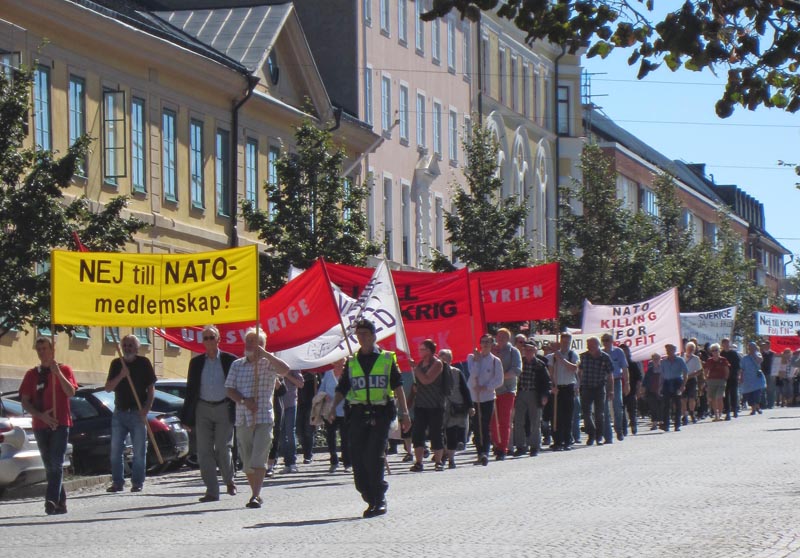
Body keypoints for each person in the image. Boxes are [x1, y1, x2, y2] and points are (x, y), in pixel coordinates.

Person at [329, 319, 411, 518]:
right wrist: (332, 408)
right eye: (359, 334)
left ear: (374, 336)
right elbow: (342, 388)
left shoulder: (386, 359)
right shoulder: (352, 361)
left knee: (374, 456)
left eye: (366, 334)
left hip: (381, 413)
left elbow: (398, 385)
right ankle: (367, 494)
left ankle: (379, 498)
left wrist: (405, 413)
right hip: (356, 414)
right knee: (357, 457)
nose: (362, 338)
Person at [225, 328, 290, 509]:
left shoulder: (269, 364)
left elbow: (285, 370)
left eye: (256, 342)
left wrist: (267, 355)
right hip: (243, 418)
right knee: (247, 463)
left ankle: (255, 495)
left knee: (258, 458)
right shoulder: (237, 365)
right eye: (249, 342)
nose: (252, 346)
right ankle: (256, 492)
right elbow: (229, 389)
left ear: (263, 345)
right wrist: (245, 401)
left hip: (263, 418)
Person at [18, 337, 78, 515]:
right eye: (39, 349)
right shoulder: (32, 374)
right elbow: (25, 402)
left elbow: (71, 392)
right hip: (40, 424)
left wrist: (58, 373)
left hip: (60, 423)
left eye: (45, 348)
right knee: (49, 465)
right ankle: (61, 503)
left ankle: (50, 499)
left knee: (56, 464)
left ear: (52, 350)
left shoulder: (64, 369)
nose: (42, 352)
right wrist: (41, 416)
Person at [180, 326, 238, 502]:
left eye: (212, 337)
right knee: (204, 451)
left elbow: (237, 386)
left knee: (222, 447)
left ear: (218, 339)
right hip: (202, 408)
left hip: (224, 407)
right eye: (205, 338)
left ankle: (229, 480)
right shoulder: (196, 363)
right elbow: (190, 391)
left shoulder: (230, 361)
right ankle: (212, 490)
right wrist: (186, 418)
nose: (209, 341)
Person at [104, 334, 156, 493]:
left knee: (139, 451)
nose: (127, 348)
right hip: (119, 413)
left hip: (137, 413)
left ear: (137, 348)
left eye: (130, 345)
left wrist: (147, 408)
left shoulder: (144, 363)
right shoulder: (116, 363)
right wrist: (121, 375)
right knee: (115, 451)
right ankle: (118, 482)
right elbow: (108, 388)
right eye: (125, 345)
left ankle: (137, 482)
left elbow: (151, 389)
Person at [409, 339, 446, 472]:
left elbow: (426, 380)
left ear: (429, 350)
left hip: (435, 404)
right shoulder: (420, 364)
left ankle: (438, 461)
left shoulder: (437, 363)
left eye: (422, 349)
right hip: (421, 404)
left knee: (436, 433)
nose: (419, 351)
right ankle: (419, 462)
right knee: (418, 433)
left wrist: (415, 369)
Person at [466, 333, 504, 465]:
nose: (485, 344)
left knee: (485, 425)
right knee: (476, 425)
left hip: (487, 397)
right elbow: (473, 374)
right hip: (474, 397)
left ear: (492, 344)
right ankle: (479, 452)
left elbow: (499, 380)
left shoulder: (495, 361)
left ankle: (485, 452)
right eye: (483, 342)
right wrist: (476, 361)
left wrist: (486, 387)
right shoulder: (472, 357)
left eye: (488, 342)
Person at [513, 339, 551, 456]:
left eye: (530, 349)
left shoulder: (540, 364)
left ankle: (535, 446)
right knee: (519, 421)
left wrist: (545, 395)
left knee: (535, 421)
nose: (528, 351)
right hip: (520, 394)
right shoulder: (520, 362)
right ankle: (521, 446)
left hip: (535, 394)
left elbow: (546, 382)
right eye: (526, 349)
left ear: (535, 350)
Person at [490, 328, 522, 460]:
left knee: (504, 421)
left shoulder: (513, 351)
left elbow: (517, 370)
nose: (500, 338)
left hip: (507, 390)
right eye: (499, 336)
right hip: (492, 391)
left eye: (504, 336)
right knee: (492, 421)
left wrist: (500, 377)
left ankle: (503, 448)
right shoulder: (492, 351)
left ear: (508, 338)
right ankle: (496, 444)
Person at [547, 333, 580, 451]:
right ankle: (557, 441)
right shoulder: (552, 356)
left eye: (568, 342)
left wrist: (561, 358)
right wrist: (552, 386)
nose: (565, 344)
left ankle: (567, 440)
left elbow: (574, 368)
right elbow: (550, 373)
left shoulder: (572, 354)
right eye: (564, 341)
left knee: (568, 415)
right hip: (557, 388)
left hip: (568, 387)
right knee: (556, 415)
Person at [579, 336, 614, 447]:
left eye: (591, 345)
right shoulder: (583, 356)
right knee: (586, 413)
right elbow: (579, 371)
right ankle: (591, 434)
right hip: (586, 387)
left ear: (597, 345)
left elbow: (610, 375)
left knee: (600, 414)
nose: (589, 347)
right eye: (588, 345)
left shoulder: (605, 357)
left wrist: (611, 390)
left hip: (599, 387)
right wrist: (579, 384)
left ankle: (599, 436)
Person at [441, 349, 472, 468]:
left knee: (451, 433)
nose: (443, 361)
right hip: (441, 407)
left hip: (455, 407)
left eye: (446, 358)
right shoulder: (435, 373)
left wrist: (470, 406)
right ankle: (443, 454)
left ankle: (451, 458)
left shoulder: (457, 372)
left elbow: (465, 390)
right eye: (441, 358)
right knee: (442, 434)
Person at [319, 358, 350, 474]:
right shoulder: (328, 374)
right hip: (330, 411)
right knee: (331, 436)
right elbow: (320, 390)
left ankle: (347, 463)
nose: (339, 364)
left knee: (345, 438)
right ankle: (334, 461)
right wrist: (325, 395)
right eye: (336, 361)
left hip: (345, 410)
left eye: (341, 361)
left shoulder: (348, 374)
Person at [600, 334, 629, 443]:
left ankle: (619, 430)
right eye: (603, 340)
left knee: (617, 406)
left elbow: (625, 368)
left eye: (607, 340)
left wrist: (627, 383)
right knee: (604, 409)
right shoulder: (600, 353)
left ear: (612, 341)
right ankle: (608, 435)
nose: (605, 342)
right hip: (603, 382)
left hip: (616, 381)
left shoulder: (618, 352)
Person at [277, 369, 304, 474]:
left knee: (290, 432)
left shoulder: (293, 366)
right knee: (281, 436)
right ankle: (287, 464)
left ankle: (292, 463)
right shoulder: (274, 365)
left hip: (290, 404)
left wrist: (286, 374)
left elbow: (300, 384)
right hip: (278, 404)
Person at [659, 343, 687, 432]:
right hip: (667, 383)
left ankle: (677, 424)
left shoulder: (680, 360)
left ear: (674, 350)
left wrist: (683, 385)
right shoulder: (663, 361)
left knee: (677, 404)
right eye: (667, 350)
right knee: (666, 405)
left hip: (676, 382)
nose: (668, 352)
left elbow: (685, 373)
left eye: (670, 350)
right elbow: (661, 375)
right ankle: (666, 424)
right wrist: (660, 386)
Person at [703, 343, 730, 422]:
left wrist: (725, 378)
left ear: (719, 351)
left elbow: (727, 370)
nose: (715, 352)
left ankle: (720, 413)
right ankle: (716, 414)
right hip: (711, 381)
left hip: (721, 381)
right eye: (713, 351)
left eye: (716, 350)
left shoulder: (723, 360)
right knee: (713, 398)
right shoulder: (709, 361)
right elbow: (706, 370)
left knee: (719, 397)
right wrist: (706, 378)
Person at [296, 371, 318, 464]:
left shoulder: (313, 373)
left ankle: (308, 455)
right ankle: (306, 452)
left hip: (310, 402)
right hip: (297, 402)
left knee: (309, 430)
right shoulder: (295, 370)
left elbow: (318, 386)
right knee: (299, 431)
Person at [620, 343, 641, 435]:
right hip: (619, 390)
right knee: (621, 410)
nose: (624, 353)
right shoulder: (617, 363)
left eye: (625, 351)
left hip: (631, 390)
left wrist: (638, 390)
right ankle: (624, 428)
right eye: (622, 351)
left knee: (632, 410)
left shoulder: (632, 364)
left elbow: (638, 378)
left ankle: (633, 425)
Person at [740, 342, 766, 415]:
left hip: (757, 379)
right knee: (750, 395)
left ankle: (756, 407)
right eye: (750, 347)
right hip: (748, 379)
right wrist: (741, 377)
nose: (751, 349)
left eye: (753, 347)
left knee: (757, 394)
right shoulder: (745, 358)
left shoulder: (758, 355)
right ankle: (754, 408)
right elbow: (742, 369)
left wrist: (754, 354)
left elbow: (760, 360)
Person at [681, 341, 703, 425]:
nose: (690, 350)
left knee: (692, 398)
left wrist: (689, 376)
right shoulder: (681, 357)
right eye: (689, 349)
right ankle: (684, 415)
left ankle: (692, 413)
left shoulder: (696, 358)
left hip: (692, 380)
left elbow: (699, 371)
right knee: (683, 399)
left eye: (692, 349)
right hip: (682, 380)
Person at [720, 338, 741, 420]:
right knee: (725, 394)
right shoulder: (721, 354)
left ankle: (735, 409)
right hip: (724, 377)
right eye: (724, 343)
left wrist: (738, 375)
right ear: (722, 344)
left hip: (733, 376)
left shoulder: (734, 353)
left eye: (727, 343)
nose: (726, 345)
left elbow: (738, 366)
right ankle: (727, 411)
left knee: (733, 393)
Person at [642, 353, 662, 430]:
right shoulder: (650, 370)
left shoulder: (663, 368)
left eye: (657, 358)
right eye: (654, 359)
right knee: (653, 407)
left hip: (662, 389)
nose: (656, 360)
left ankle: (661, 421)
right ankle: (654, 423)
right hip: (651, 390)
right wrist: (643, 391)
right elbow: (645, 381)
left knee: (661, 406)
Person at [760, 340, 777, 409]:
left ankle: (771, 404)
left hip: (770, 373)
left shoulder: (773, 354)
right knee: (762, 389)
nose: (765, 346)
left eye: (766, 345)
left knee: (771, 389)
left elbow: (776, 363)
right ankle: (763, 404)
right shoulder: (760, 354)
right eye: (763, 345)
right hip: (762, 373)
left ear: (769, 345)